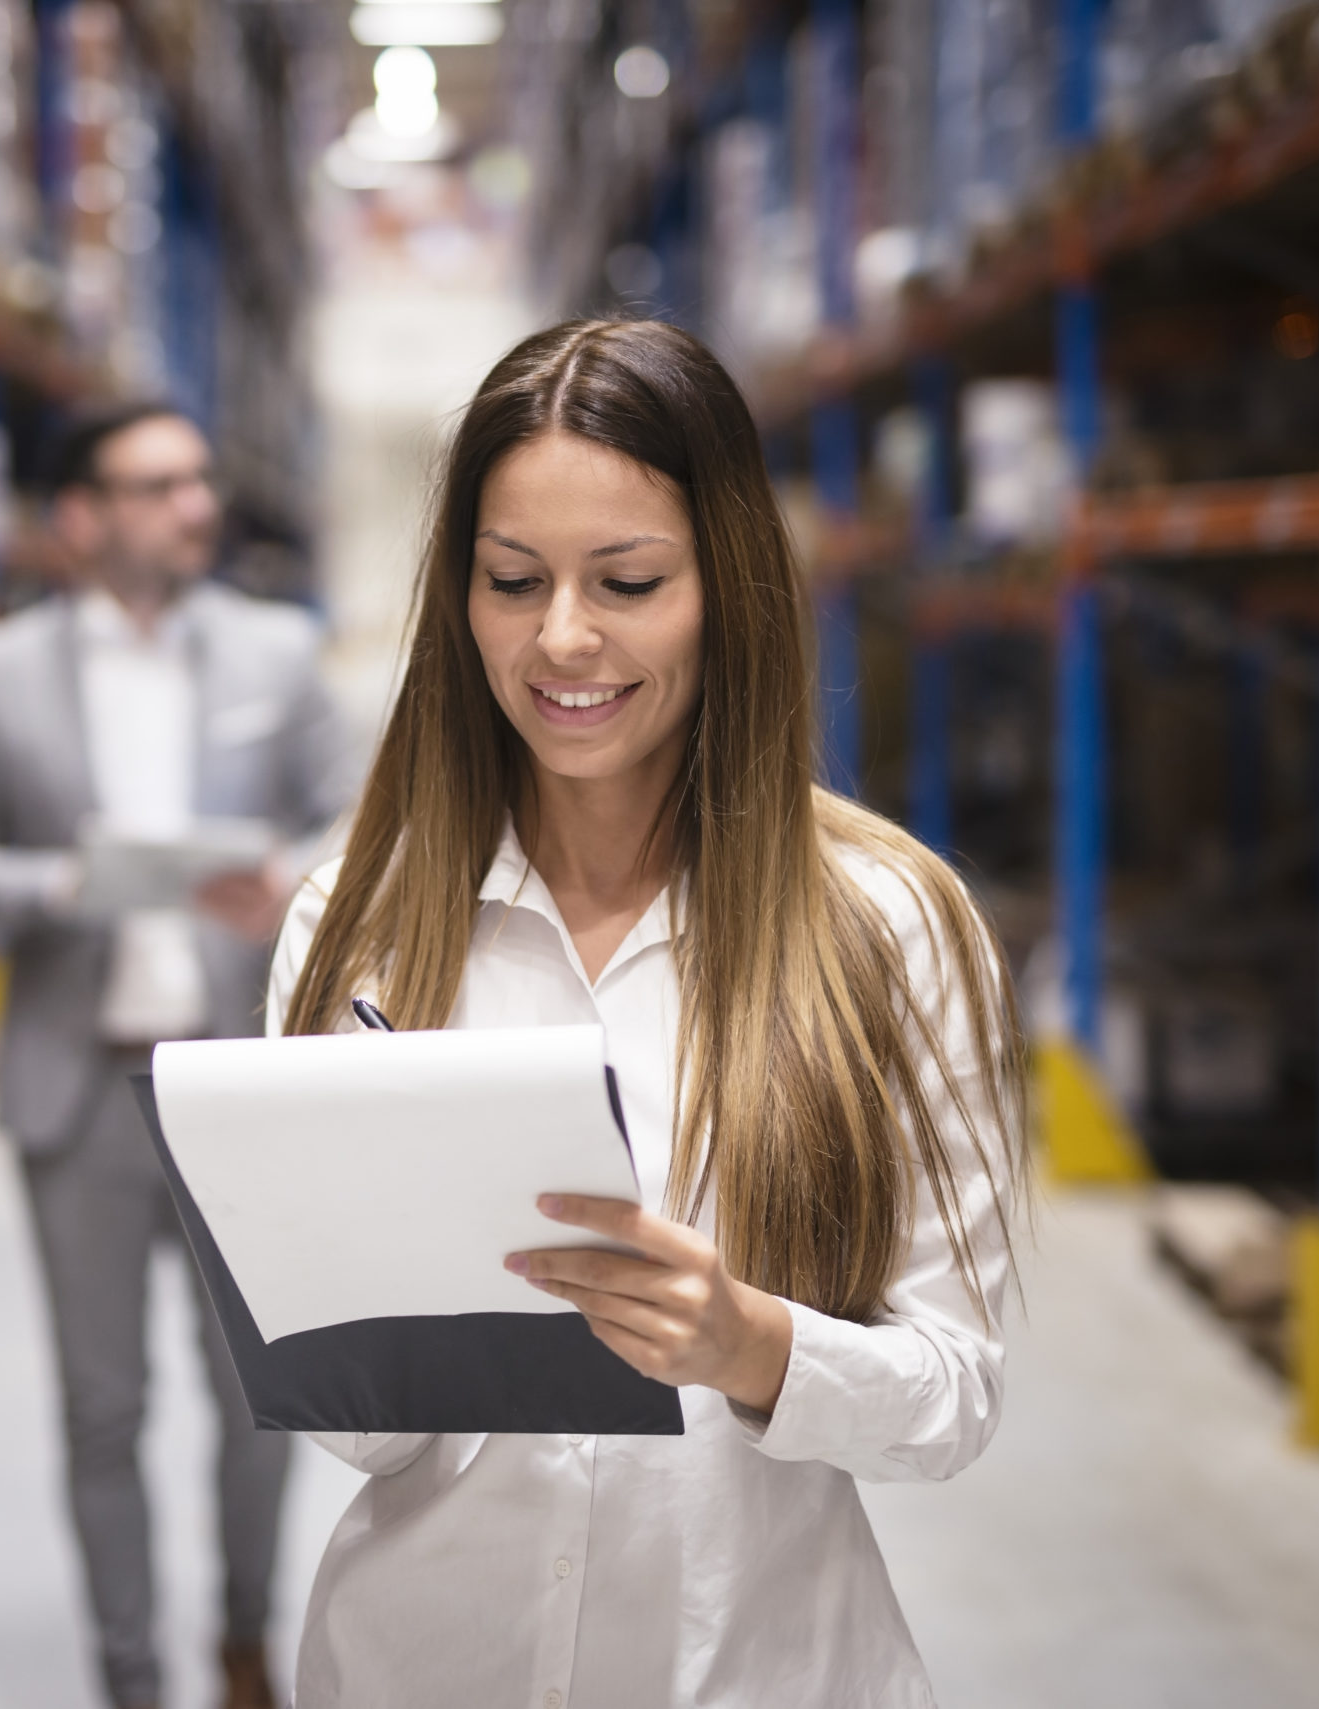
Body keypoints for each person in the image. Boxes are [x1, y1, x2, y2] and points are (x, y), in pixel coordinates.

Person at [266, 320, 1027, 1707]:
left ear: (725, 587)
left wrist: (750, 1344)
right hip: (425, 1664)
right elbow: (363, 1436)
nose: (564, 636)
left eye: (628, 580)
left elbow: (953, 1393)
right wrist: (323, 1310)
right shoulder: (357, 928)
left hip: (754, 1669)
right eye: (512, 580)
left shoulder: (887, 926)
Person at [0, 402, 353, 1709]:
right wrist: (64, 885)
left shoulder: (275, 648)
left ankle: (244, 1648)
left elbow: (361, 806)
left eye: (202, 479)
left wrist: (292, 878)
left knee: (261, 1402)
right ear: (81, 517)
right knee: (104, 1410)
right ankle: (132, 1678)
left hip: (240, 1090)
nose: (197, 505)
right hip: (80, 1084)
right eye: (159, 486)